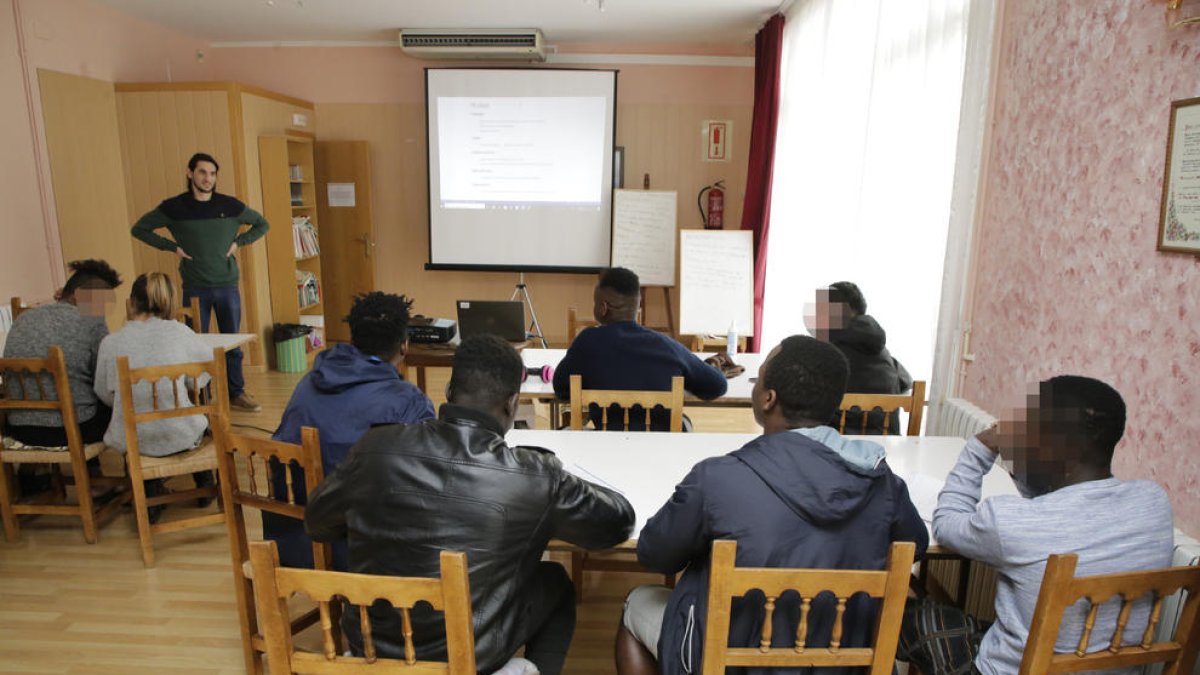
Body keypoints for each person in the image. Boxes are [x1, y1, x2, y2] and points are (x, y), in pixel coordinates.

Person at [305, 334, 635, 675]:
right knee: (555, 582)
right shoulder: (533, 474)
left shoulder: (375, 447)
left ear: (448, 391)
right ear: (511, 403)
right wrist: (561, 478)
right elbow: (617, 523)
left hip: (372, 646)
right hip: (470, 655)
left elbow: (317, 523)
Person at [615, 335, 928, 675]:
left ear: (768, 398)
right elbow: (916, 547)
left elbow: (654, 554)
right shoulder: (883, 484)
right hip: (845, 664)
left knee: (636, 603)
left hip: (733, 662)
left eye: (759, 375)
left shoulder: (718, 478)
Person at [898, 376, 1174, 675]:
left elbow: (947, 524)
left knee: (896, 614)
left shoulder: (1011, 522)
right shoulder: (1154, 502)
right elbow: (1063, 502)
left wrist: (979, 448)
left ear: (1053, 442)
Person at [264, 291, 435, 570]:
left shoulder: (309, 382)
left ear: (353, 340)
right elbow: (426, 483)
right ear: (404, 346)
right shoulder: (409, 403)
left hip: (294, 543)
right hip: (367, 557)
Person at [131, 152, 269, 412]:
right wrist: (172, 247)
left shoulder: (230, 205)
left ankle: (236, 393)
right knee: (194, 344)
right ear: (190, 173)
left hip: (227, 284)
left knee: (233, 344)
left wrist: (238, 243)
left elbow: (262, 224)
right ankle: (199, 397)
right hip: (195, 287)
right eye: (203, 172)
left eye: (213, 173)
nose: (208, 178)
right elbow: (139, 229)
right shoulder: (174, 207)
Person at [93, 273, 213, 523]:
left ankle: (150, 498)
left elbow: (104, 393)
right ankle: (204, 481)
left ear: (131, 303)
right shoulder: (181, 332)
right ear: (170, 301)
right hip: (181, 433)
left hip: (134, 440)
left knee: (137, 429)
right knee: (196, 419)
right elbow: (200, 380)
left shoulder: (110, 342)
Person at [552, 267, 727, 430]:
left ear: (603, 308)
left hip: (604, 447)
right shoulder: (667, 346)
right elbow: (717, 387)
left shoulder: (586, 342)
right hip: (662, 452)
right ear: (637, 307)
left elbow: (561, 388)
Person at [3, 259, 122, 447]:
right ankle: (125, 473)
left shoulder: (22, 319)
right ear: (77, 295)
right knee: (123, 405)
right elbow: (107, 378)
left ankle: (36, 472)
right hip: (70, 429)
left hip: (19, 429)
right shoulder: (92, 322)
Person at [809, 281, 912, 433]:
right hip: (883, 443)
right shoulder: (882, 350)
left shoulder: (825, 350)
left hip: (835, 444)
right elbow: (906, 381)